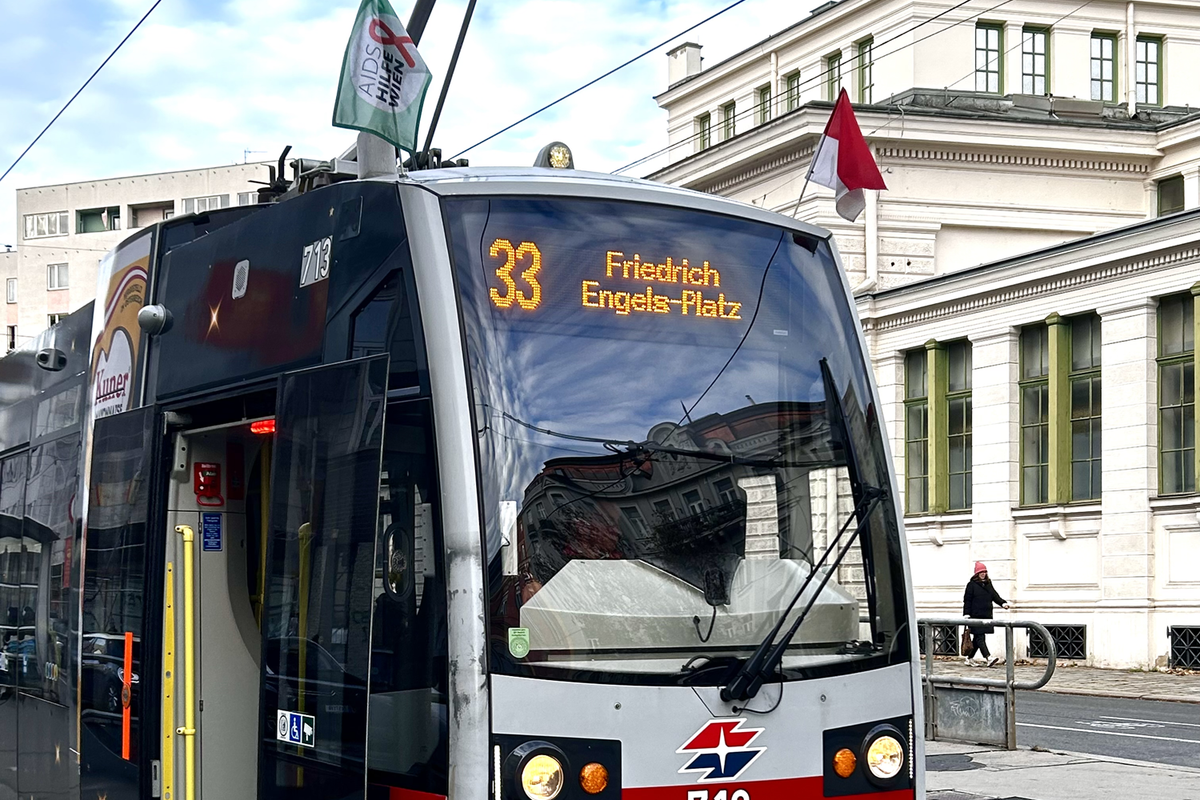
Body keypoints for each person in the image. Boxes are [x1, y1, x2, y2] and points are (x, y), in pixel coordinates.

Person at [963, 561, 1010, 667]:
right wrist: (966, 614)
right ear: (977, 574)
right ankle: (988, 658)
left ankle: (969, 658)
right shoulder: (971, 585)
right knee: (980, 637)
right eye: (981, 572)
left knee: (977, 639)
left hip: (986, 616)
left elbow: (994, 595)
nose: (983, 574)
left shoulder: (988, 584)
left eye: (984, 572)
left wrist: (1003, 603)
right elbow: (967, 600)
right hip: (974, 616)